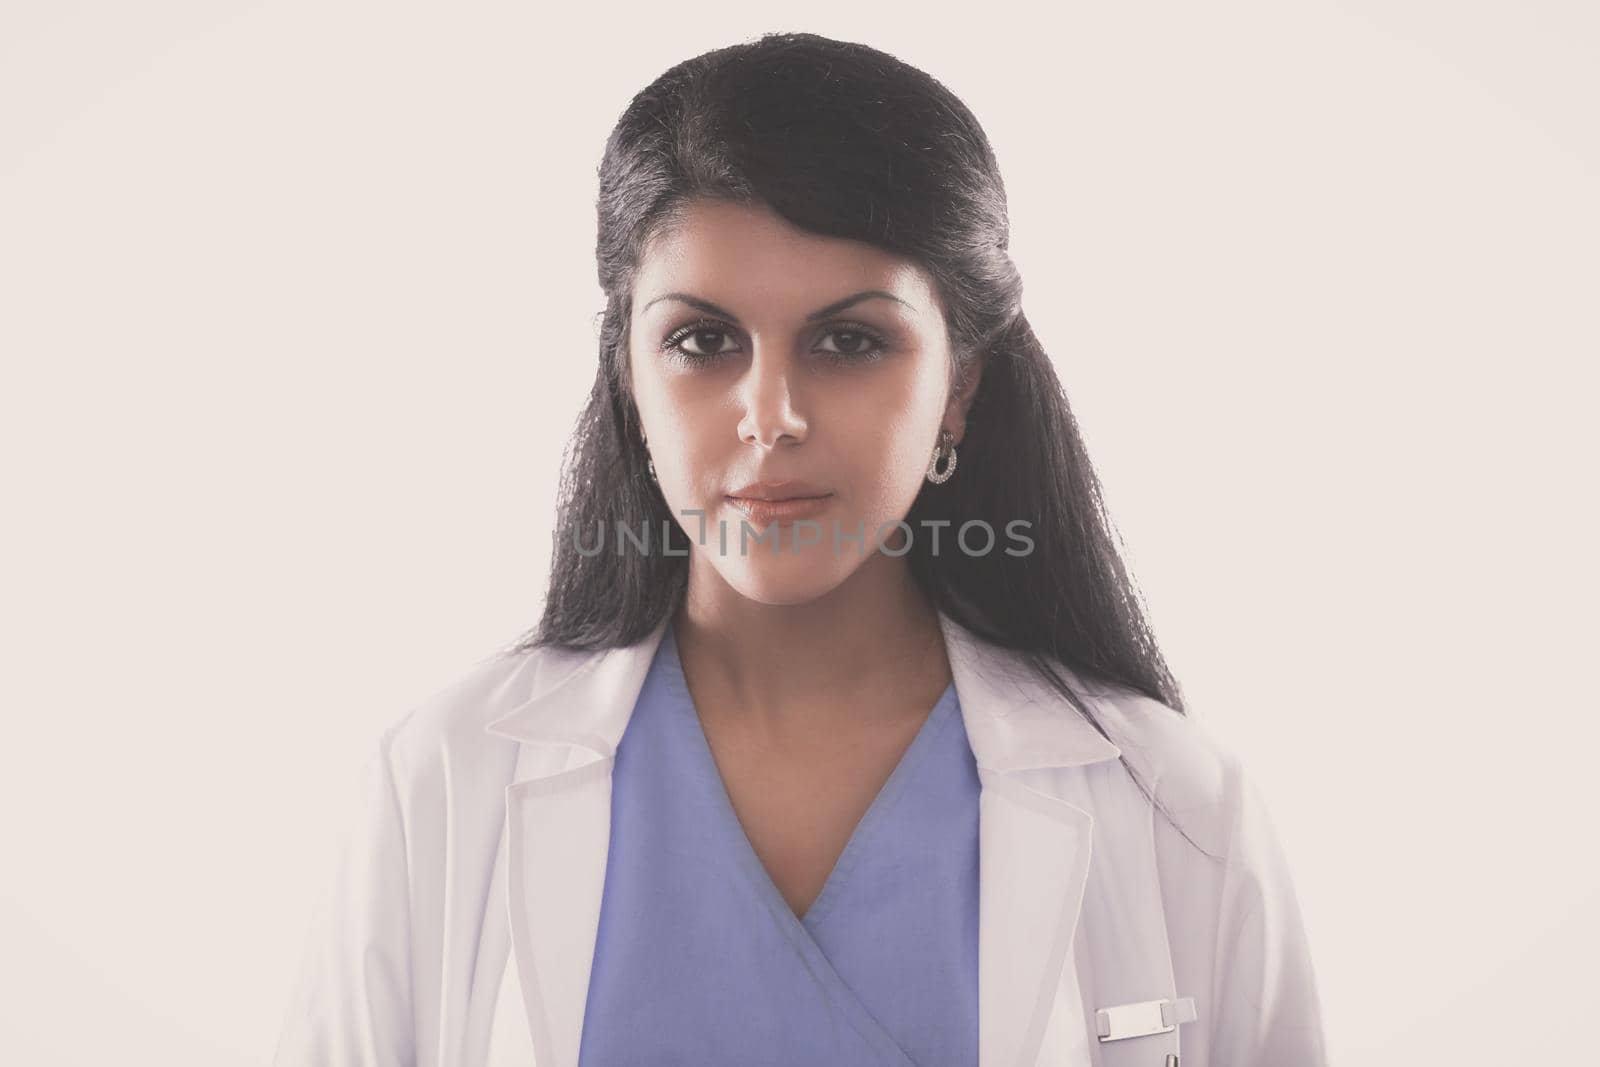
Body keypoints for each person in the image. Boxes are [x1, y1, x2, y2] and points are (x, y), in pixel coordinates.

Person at [273, 31, 1328, 1067]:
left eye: (849, 340)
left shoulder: (1176, 808)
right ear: (629, 373)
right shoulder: (440, 785)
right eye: (701, 340)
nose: (768, 413)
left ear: (956, 385)